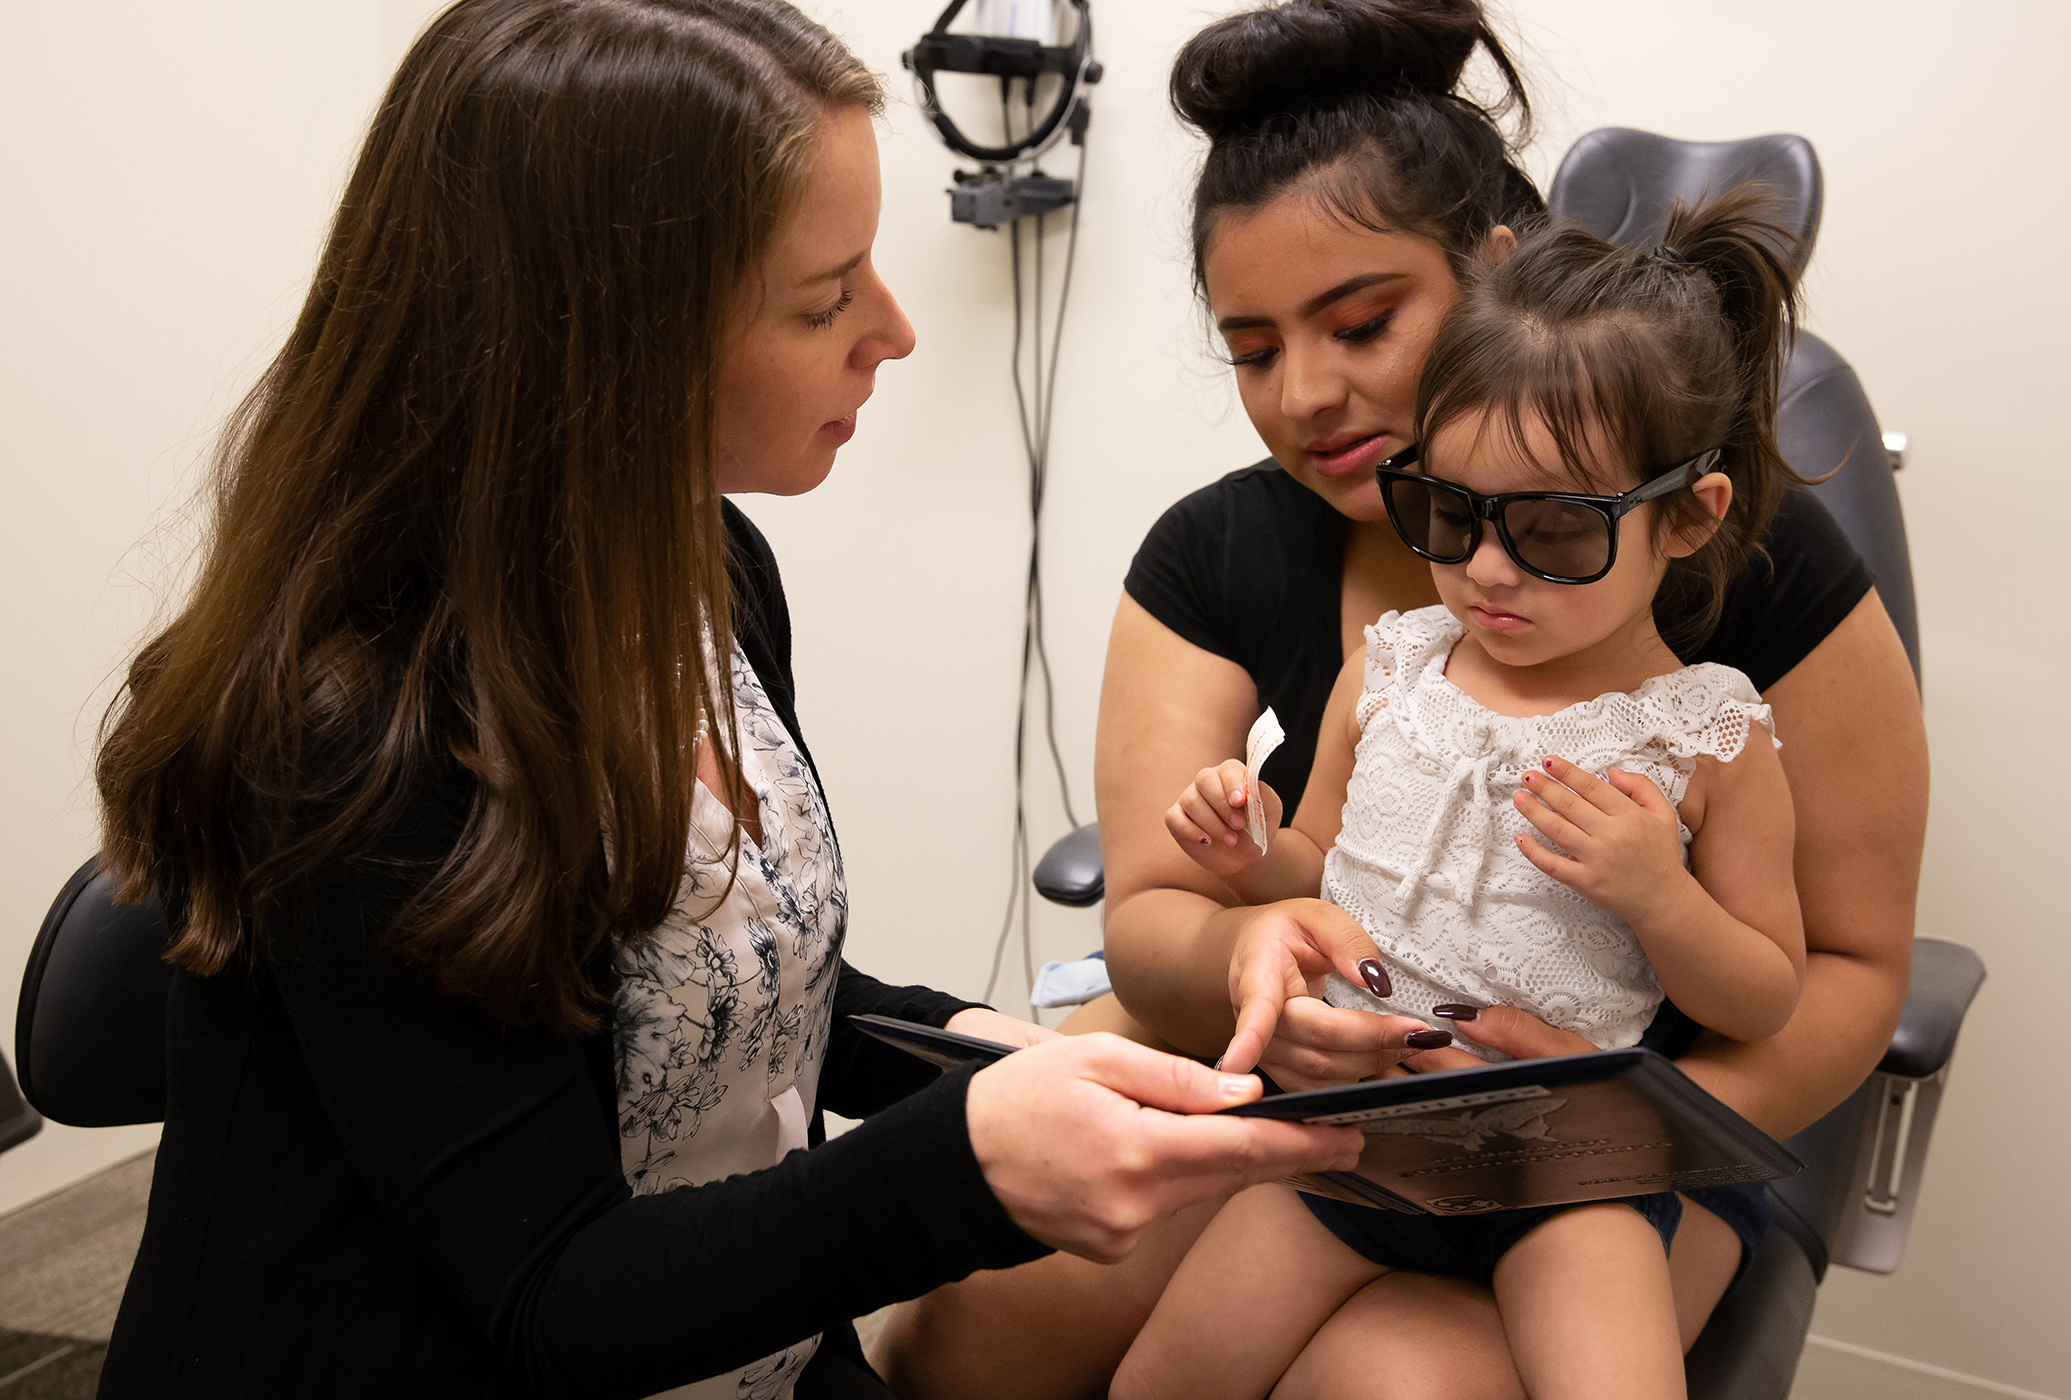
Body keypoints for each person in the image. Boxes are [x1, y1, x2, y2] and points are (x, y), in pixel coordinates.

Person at [86, 3, 1361, 1397]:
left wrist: (986, 1053)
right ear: (607, 347)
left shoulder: (711, 574)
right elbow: (554, 1293)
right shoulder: (356, 735)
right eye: (822, 300)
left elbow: (733, 993)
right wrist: (970, 1160)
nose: (893, 332)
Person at [872, 3, 1924, 1397]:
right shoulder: (1230, 559)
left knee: (1384, 1382)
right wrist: (1253, 954)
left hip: (1628, 1144)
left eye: (1362, 321)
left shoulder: (1745, 573)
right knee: (969, 1326)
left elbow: (1845, 968)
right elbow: (1156, 916)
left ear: (1496, 278)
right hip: (1320, 1098)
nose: (1308, 393)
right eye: (1253, 351)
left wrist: (1597, 1127)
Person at [1118, 191, 1810, 1400]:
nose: (1488, 568)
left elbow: (1764, 992)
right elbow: (1320, 865)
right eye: (1449, 510)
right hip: (1348, 1140)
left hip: (1569, 1167)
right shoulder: (1392, 666)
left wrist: (1662, 898)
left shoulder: (1707, 733)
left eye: (1553, 530)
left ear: (1688, 518)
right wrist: (1250, 851)